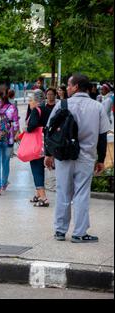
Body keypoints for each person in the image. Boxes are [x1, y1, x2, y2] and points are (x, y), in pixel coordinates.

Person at [44, 74, 110, 243]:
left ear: (76, 87)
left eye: (69, 85)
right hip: (86, 157)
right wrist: (101, 160)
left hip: (63, 156)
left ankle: (60, 231)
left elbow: (49, 132)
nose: (67, 88)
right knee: (81, 194)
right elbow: (102, 137)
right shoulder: (98, 107)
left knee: (62, 192)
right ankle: (79, 233)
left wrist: (48, 154)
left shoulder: (62, 104)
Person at [24, 89, 53, 207]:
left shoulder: (36, 110)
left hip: (36, 145)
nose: (29, 103)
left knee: (37, 170)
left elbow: (32, 126)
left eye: (30, 100)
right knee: (40, 168)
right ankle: (38, 194)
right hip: (46, 143)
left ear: (36, 101)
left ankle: (44, 198)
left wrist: (27, 129)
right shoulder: (48, 109)